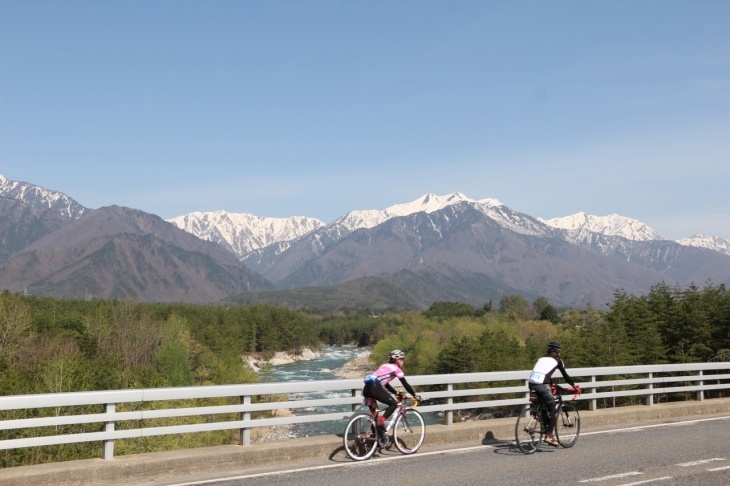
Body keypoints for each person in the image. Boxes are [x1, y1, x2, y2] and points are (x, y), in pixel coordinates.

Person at [528, 341, 579, 447]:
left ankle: (544, 426)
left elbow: (542, 373)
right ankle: (549, 436)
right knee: (552, 410)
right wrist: (573, 385)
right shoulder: (557, 360)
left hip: (531, 384)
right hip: (542, 385)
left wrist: (551, 383)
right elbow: (565, 375)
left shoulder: (541, 359)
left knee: (543, 407)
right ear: (557, 351)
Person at [363, 349, 421, 435]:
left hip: (367, 388)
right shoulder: (397, 370)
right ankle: (381, 421)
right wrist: (415, 395)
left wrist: (396, 393)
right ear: (397, 360)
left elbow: (385, 384)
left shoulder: (384, 365)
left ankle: (376, 440)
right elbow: (405, 384)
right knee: (393, 404)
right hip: (375, 388)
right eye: (402, 359)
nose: (403, 362)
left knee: (374, 415)